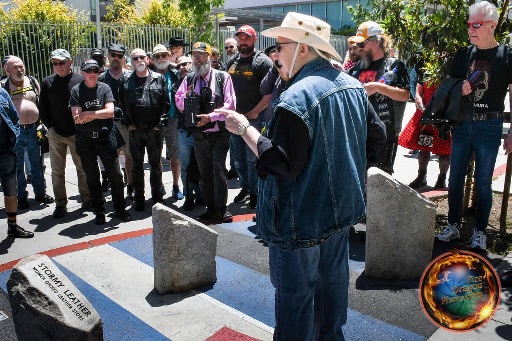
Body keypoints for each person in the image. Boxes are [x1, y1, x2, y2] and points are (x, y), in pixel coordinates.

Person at [217, 12, 367, 339]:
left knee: (295, 307)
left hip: (300, 223)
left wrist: (244, 129)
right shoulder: (354, 86)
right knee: (332, 299)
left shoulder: (295, 96)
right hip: (338, 216)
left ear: (302, 47)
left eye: (280, 47)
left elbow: (281, 162)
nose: (275, 55)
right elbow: (378, 138)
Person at [436, 1, 512, 251]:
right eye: (469, 24)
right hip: (464, 123)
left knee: (483, 182)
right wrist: (460, 88)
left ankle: (480, 232)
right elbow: (447, 86)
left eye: (476, 24)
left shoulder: (506, 55)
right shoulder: (463, 54)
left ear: (491, 25)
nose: (471, 29)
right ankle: (453, 225)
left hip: (490, 125)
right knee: (455, 178)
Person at [175, 42, 236, 223]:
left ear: (210, 57)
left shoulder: (222, 77)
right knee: (205, 174)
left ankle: (222, 209)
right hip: (199, 135)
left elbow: (230, 105)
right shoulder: (189, 79)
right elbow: (178, 99)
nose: (198, 59)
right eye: (195, 55)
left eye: (202, 55)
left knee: (218, 172)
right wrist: (187, 99)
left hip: (219, 134)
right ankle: (210, 209)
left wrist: (211, 117)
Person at [70, 59, 132, 225]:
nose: (92, 74)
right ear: (82, 73)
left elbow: (111, 112)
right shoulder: (77, 90)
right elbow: (77, 118)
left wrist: (89, 113)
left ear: (98, 73)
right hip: (85, 140)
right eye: (88, 71)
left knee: (116, 176)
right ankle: (99, 210)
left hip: (105, 138)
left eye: (95, 71)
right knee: (92, 178)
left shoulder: (105, 88)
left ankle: (120, 209)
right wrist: (99, 113)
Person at [347, 21, 410, 174]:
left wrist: (377, 87)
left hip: (384, 137)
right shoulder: (356, 68)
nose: (359, 48)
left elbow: (405, 95)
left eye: (362, 44)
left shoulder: (394, 65)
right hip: (358, 134)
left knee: (381, 183)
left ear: (376, 41)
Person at [39, 49, 91, 218]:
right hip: (56, 134)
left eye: (61, 62)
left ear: (69, 62)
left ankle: (87, 199)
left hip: (78, 133)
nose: (58, 66)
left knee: (82, 168)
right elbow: (43, 108)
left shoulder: (79, 80)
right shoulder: (47, 82)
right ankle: (61, 204)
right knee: (57, 171)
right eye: (55, 63)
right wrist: (51, 127)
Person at [226, 25, 273, 209]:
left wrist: (255, 111)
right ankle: (245, 187)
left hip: (255, 119)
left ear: (254, 39)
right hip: (235, 119)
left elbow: (270, 94)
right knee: (238, 159)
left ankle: (256, 192)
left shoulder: (263, 62)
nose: (242, 41)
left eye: (247, 38)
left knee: (253, 158)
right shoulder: (232, 61)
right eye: (240, 38)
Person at [119, 48, 169, 212]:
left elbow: (166, 104)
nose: (139, 60)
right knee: (137, 167)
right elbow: (120, 106)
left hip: (154, 131)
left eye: (141, 57)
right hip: (135, 131)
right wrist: (128, 123)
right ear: (131, 62)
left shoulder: (159, 78)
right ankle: (139, 198)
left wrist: (159, 124)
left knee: (156, 166)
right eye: (135, 58)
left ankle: (157, 198)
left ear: (147, 59)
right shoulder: (125, 80)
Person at [2, 56, 54, 209]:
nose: (20, 70)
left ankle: (40, 193)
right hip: (15, 132)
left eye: (21, 66)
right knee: (17, 167)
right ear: (7, 70)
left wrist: (43, 123)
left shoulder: (32, 81)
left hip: (34, 130)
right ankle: (21, 196)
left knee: (37, 164)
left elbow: (42, 103)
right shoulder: (3, 86)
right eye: (16, 67)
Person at [398, 74, 451, 189]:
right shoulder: (426, 72)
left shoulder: (448, 70)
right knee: (423, 148)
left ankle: (442, 179)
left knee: (444, 151)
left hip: (443, 118)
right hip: (425, 117)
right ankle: (421, 176)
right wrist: (424, 111)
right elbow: (418, 94)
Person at [98, 43, 134, 200]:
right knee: (111, 159)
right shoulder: (101, 78)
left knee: (129, 157)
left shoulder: (130, 76)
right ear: (108, 56)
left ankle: (131, 187)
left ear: (123, 58)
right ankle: (116, 189)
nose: (116, 58)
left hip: (128, 124)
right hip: (108, 124)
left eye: (119, 56)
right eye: (113, 54)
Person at [0, 87, 34, 238]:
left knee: (11, 191)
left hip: (6, 150)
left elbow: (14, 117)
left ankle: (12, 226)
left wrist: (14, 139)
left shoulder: (2, 93)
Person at [152, 44, 184, 200]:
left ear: (168, 56)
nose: (161, 59)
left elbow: (188, 68)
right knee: (156, 156)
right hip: (154, 122)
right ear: (153, 59)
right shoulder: (148, 75)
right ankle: (159, 185)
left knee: (175, 156)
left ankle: (176, 186)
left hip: (172, 120)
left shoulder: (175, 74)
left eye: (163, 55)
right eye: (157, 56)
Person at [174, 55, 203, 211]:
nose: (182, 67)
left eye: (185, 64)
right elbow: (178, 103)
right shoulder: (177, 85)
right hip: (184, 132)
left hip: (202, 131)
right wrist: (187, 94)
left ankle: (200, 195)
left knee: (201, 166)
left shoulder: (203, 79)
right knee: (185, 167)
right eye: (179, 65)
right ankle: (188, 197)